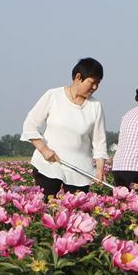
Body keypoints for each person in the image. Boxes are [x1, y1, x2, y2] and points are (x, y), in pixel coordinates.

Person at [21, 58, 109, 196]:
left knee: (77, 213)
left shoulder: (95, 106)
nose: (95, 87)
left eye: (98, 83)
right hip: (49, 165)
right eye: (92, 82)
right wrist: (43, 148)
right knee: (47, 209)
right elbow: (30, 124)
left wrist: (99, 170)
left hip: (79, 171)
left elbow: (99, 141)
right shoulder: (53, 95)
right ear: (78, 77)